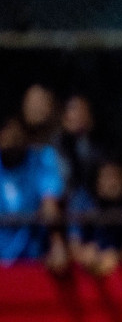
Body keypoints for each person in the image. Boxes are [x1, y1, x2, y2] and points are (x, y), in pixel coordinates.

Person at [0, 114, 67, 271]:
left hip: (34, 256)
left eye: (14, 132)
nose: (9, 137)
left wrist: (57, 244)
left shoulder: (43, 158)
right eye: (3, 131)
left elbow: (50, 203)